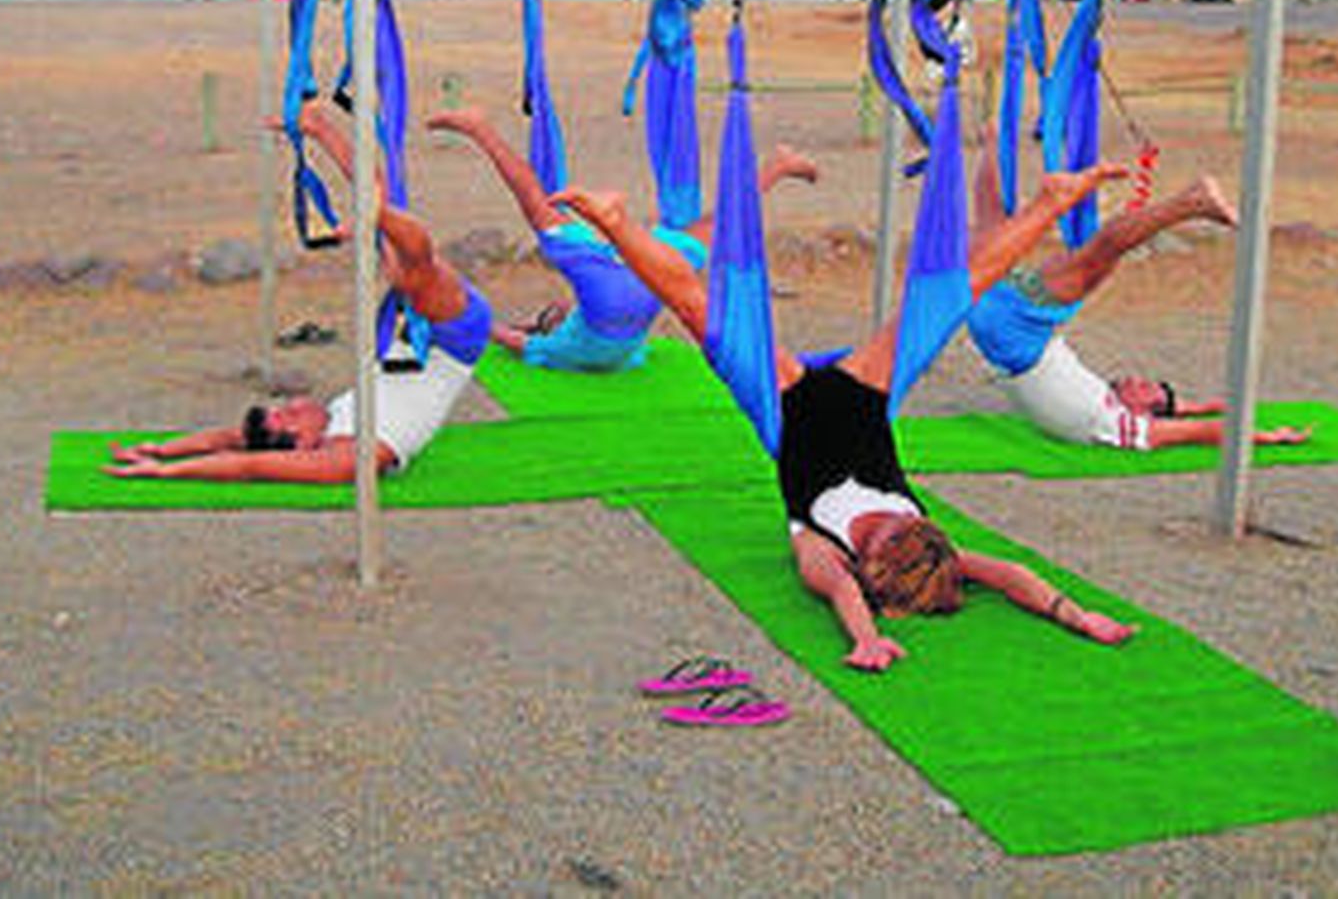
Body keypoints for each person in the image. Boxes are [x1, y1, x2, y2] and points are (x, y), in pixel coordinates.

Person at [552, 162, 1138, 673]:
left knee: (700, 307)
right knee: (952, 293)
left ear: (872, 568)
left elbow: (839, 594)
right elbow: (1009, 573)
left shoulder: (825, 552)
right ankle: (1052, 201)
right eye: (901, 532)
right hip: (865, 398)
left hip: (785, 408)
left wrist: (868, 640)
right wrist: (1076, 614)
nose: (886, 529)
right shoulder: (932, 549)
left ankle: (612, 221)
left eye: (882, 545)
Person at [104, 104, 492, 483]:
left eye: (282, 408)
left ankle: (324, 133)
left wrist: (161, 449)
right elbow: (250, 466)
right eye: (289, 416)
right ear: (301, 446)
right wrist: (167, 474)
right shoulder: (349, 456)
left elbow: (230, 439)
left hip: (411, 340)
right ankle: (374, 214)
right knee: (414, 264)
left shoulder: (319, 430)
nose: (293, 405)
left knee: (396, 241)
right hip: (450, 342)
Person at [966, 133, 1310, 451]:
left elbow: (1206, 430)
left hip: (1016, 334)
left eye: (1145, 388)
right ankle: (992, 142)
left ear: (1145, 411)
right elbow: (1191, 411)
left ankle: (1191, 202)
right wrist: (1207, 407)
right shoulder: (1114, 408)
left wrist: (1268, 437)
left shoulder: (1123, 427)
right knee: (994, 232)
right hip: (1006, 329)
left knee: (1097, 254)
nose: (1136, 379)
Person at [427, 105, 817, 372]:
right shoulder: (554, 349)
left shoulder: (604, 354)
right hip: (618, 289)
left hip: (643, 289)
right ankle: (479, 128)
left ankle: (777, 168)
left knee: (716, 227)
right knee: (536, 203)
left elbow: (500, 333)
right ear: (555, 324)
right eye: (553, 312)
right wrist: (444, 310)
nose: (558, 306)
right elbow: (496, 331)